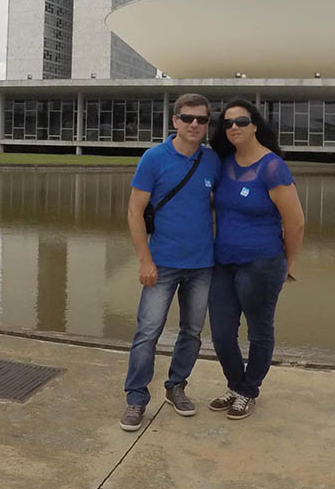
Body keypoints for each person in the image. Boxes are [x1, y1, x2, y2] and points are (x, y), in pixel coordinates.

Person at [119, 92, 221, 432]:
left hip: (202, 264)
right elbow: (134, 212)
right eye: (187, 118)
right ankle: (136, 398)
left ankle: (176, 386)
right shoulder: (154, 158)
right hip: (161, 263)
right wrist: (144, 260)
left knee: (192, 332)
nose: (194, 124)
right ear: (175, 120)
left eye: (201, 119)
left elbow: (219, 204)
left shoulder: (212, 161)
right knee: (147, 332)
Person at [205, 99, 305, 420]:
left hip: (262, 263)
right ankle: (237, 385)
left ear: (255, 126)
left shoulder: (272, 167)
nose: (234, 127)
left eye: (241, 121)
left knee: (259, 332)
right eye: (228, 123)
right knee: (221, 334)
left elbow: (295, 222)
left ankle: (248, 391)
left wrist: (288, 263)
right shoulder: (223, 164)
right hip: (223, 263)